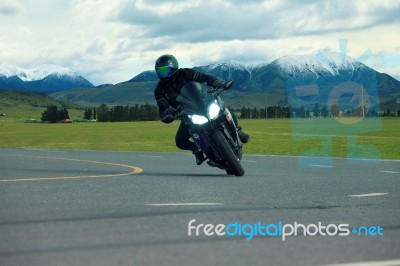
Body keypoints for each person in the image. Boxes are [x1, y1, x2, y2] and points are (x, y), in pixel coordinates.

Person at [154, 54, 249, 165]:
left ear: (174, 68)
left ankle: (237, 130)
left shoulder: (185, 73)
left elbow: (203, 77)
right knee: (180, 141)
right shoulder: (159, 90)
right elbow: (162, 107)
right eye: (160, 71)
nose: (163, 74)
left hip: (203, 103)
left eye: (165, 70)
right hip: (187, 114)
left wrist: (216, 82)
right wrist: (166, 114)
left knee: (223, 109)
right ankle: (197, 150)